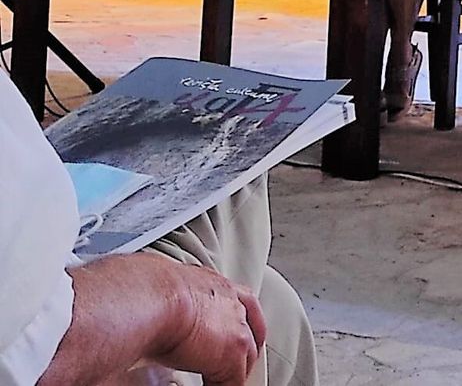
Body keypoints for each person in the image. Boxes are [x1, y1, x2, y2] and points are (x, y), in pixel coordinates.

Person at [0, 74, 318, 386]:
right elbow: (31, 350)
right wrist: (177, 303)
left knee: (274, 309)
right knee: (234, 163)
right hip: (57, 326)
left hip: (43, 257)